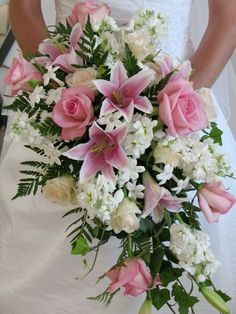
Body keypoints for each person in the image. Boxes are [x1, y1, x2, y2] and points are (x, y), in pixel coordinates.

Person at [0, 0, 236, 313]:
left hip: (179, 106)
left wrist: (169, 111)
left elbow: (226, 21)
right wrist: (59, 91)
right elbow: (25, 8)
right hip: (68, 100)